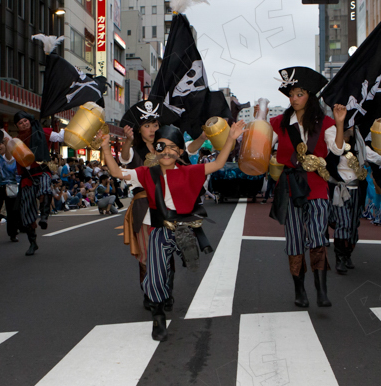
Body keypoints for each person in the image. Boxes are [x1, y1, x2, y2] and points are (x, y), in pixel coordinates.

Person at [101, 120, 246, 341]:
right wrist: (104, 147)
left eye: (171, 147)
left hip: (184, 227)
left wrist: (231, 138)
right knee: (156, 270)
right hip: (160, 228)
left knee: (177, 264)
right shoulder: (146, 173)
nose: (166, 151)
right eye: (160, 146)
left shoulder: (189, 171)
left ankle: (182, 261)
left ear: (179, 151)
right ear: (155, 150)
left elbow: (217, 164)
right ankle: (158, 315)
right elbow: (117, 172)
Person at [269, 67, 345, 309]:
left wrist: (341, 124)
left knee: (317, 236)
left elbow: (338, 150)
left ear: (310, 96)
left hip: (316, 185)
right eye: (291, 94)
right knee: (293, 240)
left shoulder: (326, 122)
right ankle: (299, 290)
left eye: (299, 94)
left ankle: (321, 290)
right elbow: (260, 147)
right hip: (289, 185)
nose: (293, 99)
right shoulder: (279, 123)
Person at [118, 99, 180, 309]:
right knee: (146, 254)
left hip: (167, 204)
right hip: (144, 206)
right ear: (138, 129)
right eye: (147, 125)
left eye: (155, 124)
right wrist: (127, 141)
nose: (152, 129)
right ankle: (150, 294)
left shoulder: (167, 145)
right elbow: (125, 159)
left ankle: (167, 293)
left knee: (168, 251)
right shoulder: (134, 149)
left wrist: (200, 137)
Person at [329, 127, 381, 274]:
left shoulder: (360, 146)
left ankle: (348, 254)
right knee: (343, 223)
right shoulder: (331, 144)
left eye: (350, 128)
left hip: (356, 190)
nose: (348, 131)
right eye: (344, 128)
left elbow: (374, 156)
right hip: (339, 190)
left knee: (353, 224)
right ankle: (340, 258)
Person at [13, 112, 65, 255]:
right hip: (26, 177)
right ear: (17, 126)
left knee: (44, 189)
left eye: (25, 121)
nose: (24, 124)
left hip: (42, 171)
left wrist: (71, 129)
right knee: (27, 211)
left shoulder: (43, 132)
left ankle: (44, 217)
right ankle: (33, 242)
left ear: (30, 121)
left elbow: (60, 137)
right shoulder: (16, 141)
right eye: (20, 123)